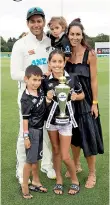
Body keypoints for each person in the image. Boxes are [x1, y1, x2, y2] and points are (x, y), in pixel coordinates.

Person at [10, 6, 56, 184]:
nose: (36, 24)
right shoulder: (20, 44)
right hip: (27, 94)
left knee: (45, 129)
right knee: (26, 132)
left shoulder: (48, 42)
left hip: (45, 93)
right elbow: (14, 73)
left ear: (44, 22)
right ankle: (22, 170)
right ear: (27, 23)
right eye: (32, 21)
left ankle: (46, 163)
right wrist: (34, 79)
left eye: (39, 21)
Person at [65, 18, 104, 188]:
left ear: (82, 35)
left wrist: (94, 103)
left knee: (88, 136)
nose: (74, 37)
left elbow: (94, 80)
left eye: (78, 34)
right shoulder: (65, 54)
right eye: (72, 34)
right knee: (74, 136)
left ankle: (92, 173)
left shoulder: (90, 54)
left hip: (86, 101)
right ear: (68, 35)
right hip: (70, 102)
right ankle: (77, 165)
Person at [43, 49, 85, 195]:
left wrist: (75, 97)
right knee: (55, 150)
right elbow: (44, 104)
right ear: (49, 63)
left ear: (64, 62)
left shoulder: (72, 78)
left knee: (65, 154)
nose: (57, 64)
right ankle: (59, 180)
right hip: (51, 120)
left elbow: (82, 95)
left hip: (66, 121)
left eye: (60, 61)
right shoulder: (45, 80)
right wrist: (48, 98)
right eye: (53, 61)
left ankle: (74, 180)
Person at [21, 65, 47, 199]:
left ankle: (36, 181)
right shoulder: (26, 99)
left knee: (36, 159)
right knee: (29, 161)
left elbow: (45, 77)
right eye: (34, 80)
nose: (37, 83)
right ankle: (25, 185)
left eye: (39, 80)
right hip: (31, 131)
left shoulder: (39, 89)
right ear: (26, 79)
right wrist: (26, 137)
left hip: (40, 129)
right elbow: (25, 120)